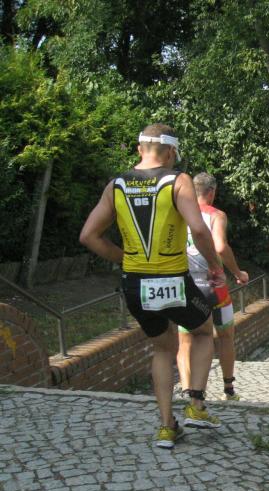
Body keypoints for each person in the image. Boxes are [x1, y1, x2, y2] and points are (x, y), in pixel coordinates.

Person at [79, 123, 223, 450]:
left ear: (139, 149)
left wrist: (124, 258)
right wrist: (215, 267)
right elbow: (200, 230)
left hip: (135, 284)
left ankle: (166, 427)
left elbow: (88, 236)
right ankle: (196, 405)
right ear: (170, 152)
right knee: (203, 331)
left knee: (162, 348)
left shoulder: (115, 185)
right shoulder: (177, 180)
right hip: (173, 278)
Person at [177, 173, 249, 402]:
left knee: (186, 340)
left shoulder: (179, 213)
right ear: (212, 192)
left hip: (187, 285)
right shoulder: (216, 215)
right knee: (226, 336)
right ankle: (228, 389)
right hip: (214, 287)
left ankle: (187, 391)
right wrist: (238, 273)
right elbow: (220, 246)